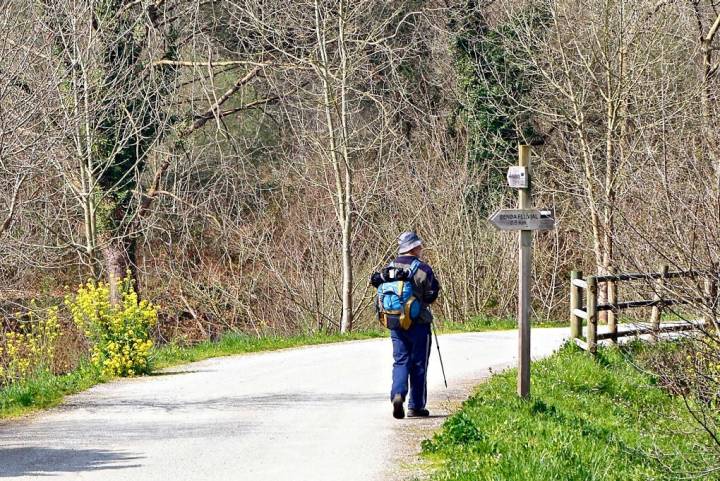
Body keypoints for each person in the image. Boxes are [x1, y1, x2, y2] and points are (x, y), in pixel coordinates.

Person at [387, 231, 440, 419]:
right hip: (419, 324)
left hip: (395, 324)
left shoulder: (390, 267)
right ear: (413, 247)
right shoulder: (423, 269)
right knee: (419, 364)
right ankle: (416, 406)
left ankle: (398, 394)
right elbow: (432, 294)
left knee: (400, 361)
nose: (421, 248)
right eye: (419, 245)